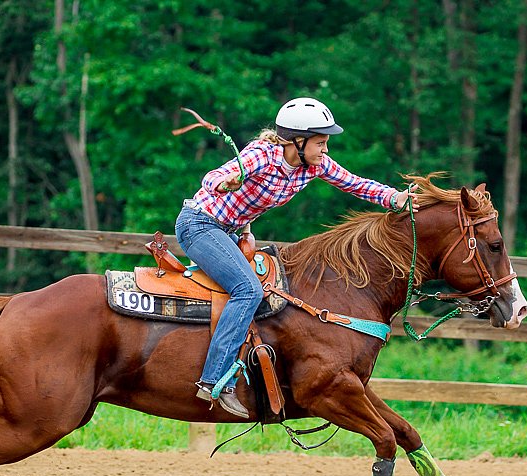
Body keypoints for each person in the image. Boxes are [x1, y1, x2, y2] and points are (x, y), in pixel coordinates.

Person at [175, 97, 414, 418]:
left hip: (228, 232)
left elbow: (356, 184)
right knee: (249, 291)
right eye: (321, 142)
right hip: (199, 225)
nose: (326, 150)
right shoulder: (262, 155)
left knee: (267, 291)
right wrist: (224, 182)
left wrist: (395, 198)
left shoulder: (315, 167)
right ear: (297, 142)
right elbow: (214, 177)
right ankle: (214, 379)